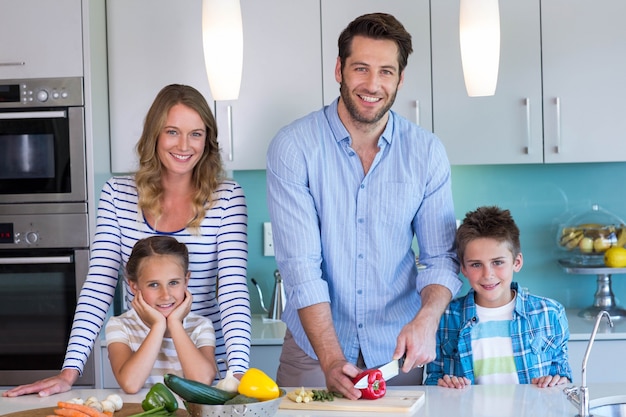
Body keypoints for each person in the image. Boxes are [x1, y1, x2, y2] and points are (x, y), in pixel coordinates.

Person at [4, 84, 250, 397]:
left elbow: (232, 291)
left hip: (199, 365)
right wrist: (69, 372)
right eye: (172, 132)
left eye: (196, 134)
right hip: (138, 360)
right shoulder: (117, 195)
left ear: (208, 139)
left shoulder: (226, 198)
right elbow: (99, 285)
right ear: (154, 136)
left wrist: (238, 372)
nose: (185, 145)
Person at [266, 13, 461, 400]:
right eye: (361, 68)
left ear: (400, 79)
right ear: (339, 69)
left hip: (397, 353)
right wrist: (331, 358)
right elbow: (301, 268)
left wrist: (426, 319)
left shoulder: (426, 152)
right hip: (312, 351)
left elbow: (441, 256)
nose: (373, 85)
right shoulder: (294, 148)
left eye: (386, 71)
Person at [424, 206, 572, 388]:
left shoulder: (550, 313)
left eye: (498, 262)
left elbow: (564, 378)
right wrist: (444, 386)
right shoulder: (445, 317)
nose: (488, 274)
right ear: (463, 268)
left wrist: (558, 382)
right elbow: (432, 381)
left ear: (516, 262)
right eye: (476, 264)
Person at [106, 236, 217, 393]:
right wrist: (158, 326)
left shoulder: (200, 326)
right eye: (154, 284)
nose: (165, 295)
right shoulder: (120, 326)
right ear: (134, 286)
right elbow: (130, 384)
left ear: (186, 281)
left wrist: (175, 324)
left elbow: (202, 382)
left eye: (173, 283)